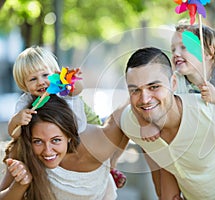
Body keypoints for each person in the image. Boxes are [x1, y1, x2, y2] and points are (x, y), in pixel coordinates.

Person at [93, 47, 215, 199]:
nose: (144, 98)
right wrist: (111, 165)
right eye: (135, 90)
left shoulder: (211, 116)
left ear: (174, 83)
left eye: (154, 87)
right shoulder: (132, 121)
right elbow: (115, 123)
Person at [138, 23, 215, 199]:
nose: (176, 53)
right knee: (164, 160)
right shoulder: (175, 82)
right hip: (190, 152)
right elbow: (150, 102)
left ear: (209, 52)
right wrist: (146, 123)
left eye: (184, 47)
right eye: (173, 49)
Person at [7, 46, 126, 188]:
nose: (40, 82)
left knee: (103, 146)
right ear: (24, 84)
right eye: (33, 79)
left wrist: (71, 83)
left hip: (86, 119)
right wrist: (16, 121)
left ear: (55, 74)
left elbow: (78, 89)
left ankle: (111, 166)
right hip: (59, 135)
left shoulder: (61, 90)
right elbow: (14, 134)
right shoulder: (25, 102)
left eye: (45, 75)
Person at [0, 94, 117, 199]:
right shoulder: (22, 152)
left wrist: (113, 164)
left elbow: (122, 121)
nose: (48, 151)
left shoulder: (94, 150)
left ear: (69, 136)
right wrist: (20, 184)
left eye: (55, 140)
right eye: (38, 141)